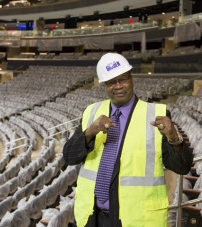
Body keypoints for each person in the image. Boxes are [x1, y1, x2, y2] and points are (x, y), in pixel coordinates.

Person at [63, 53, 193, 227]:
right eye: (111, 82)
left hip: (135, 220)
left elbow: (182, 166)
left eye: (123, 79)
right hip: (93, 217)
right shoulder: (91, 112)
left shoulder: (156, 114)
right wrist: (90, 132)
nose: (118, 86)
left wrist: (173, 137)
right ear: (104, 85)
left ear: (131, 79)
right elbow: (70, 157)